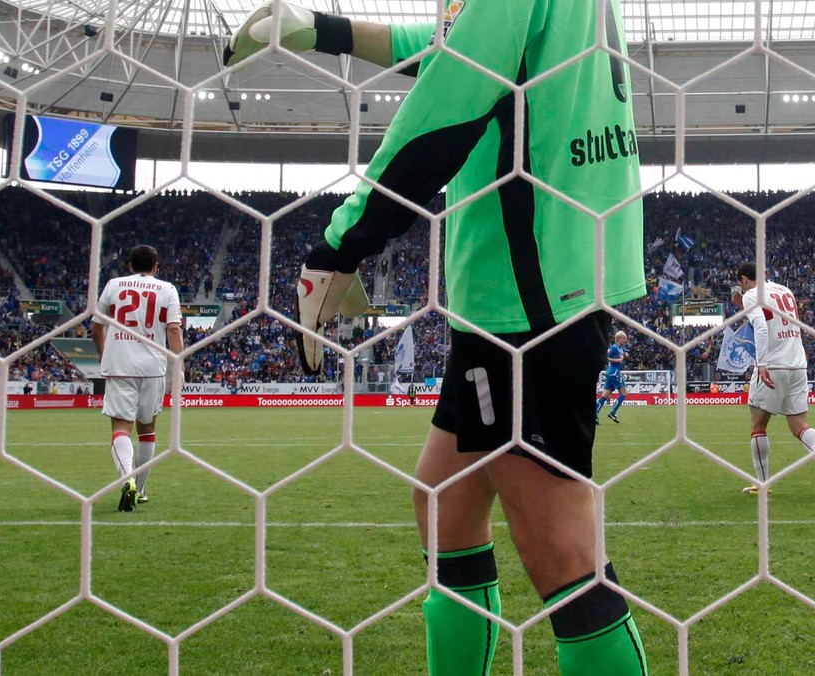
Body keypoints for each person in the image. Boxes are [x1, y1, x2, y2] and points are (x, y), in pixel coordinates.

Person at [227, 1, 648, 673]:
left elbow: (452, 97)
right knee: (443, 501)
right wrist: (317, 29)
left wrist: (342, 244)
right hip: (541, 276)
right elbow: (454, 49)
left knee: (565, 558)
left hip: (526, 292)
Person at [92, 245, 183, 512]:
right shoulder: (167, 289)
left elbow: (97, 326)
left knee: (121, 428)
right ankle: (140, 489)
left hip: (120, 365)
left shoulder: (113, 285)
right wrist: (178, 366)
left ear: (130, 266)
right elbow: (174, 330)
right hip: (153, 367)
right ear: (157, 266)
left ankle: (127, 480)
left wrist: (102, 353)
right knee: (148, 429)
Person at [735, 262, 815, 495]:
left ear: (743, 279)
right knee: (800, 425)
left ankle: (762, 484)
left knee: (758, 425)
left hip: (773, 364)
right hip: (798, 363)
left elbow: (760, 326)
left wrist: (762, 364)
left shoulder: (751, 295)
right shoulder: (785, 290)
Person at [595, 331, 630, 424]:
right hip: (614, 372)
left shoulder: (620, 349)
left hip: (611, 373)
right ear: (618, 339)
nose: (625, 340)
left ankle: (594, 414)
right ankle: (613, 412)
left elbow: (623, 356)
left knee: (605, 395)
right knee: (624, 393)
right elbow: (605, 357)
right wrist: (617, 360)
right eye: (623, 338)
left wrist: (625, 356)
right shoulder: (614, 347)